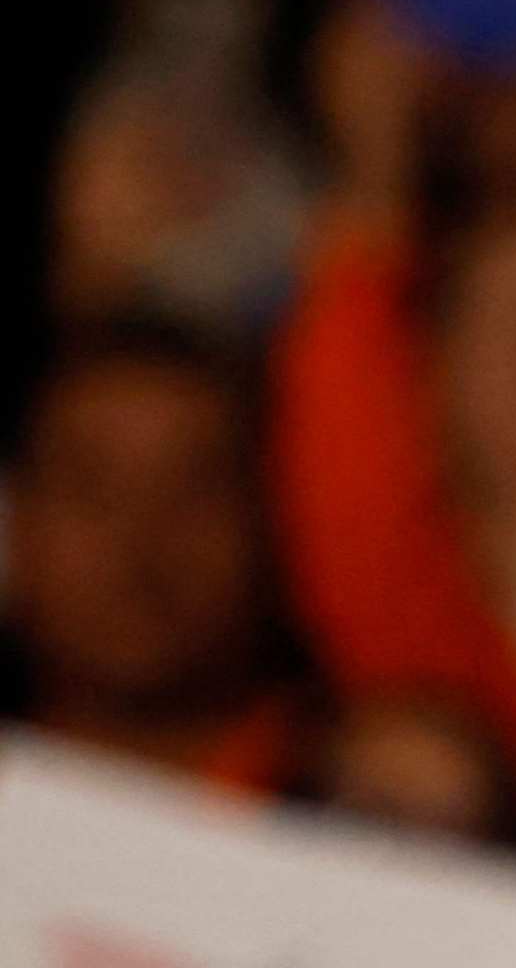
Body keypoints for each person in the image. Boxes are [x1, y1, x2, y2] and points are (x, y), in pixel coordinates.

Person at [1, 319, 305, 791]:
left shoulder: (358, 801)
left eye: (195, 492)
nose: (140, 544)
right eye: (91, 490)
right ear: (19, 521)